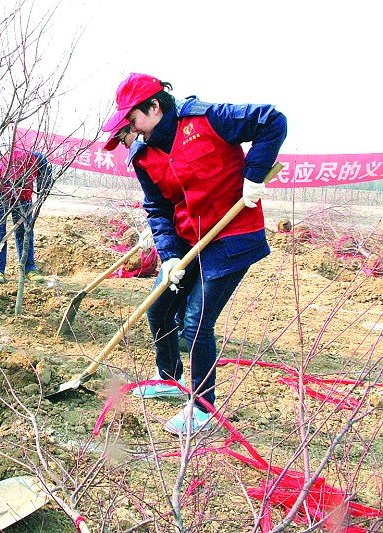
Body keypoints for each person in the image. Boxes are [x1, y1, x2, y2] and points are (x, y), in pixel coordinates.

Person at [101, 72, 287, 435]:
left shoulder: (206, 119)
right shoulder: (143, 156)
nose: (131, 130)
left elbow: (271, 120)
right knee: (159, 308)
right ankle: (170, 378)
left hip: (230, 237)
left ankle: (202, 409)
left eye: (133, 120)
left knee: (196, 322)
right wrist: (169, 255)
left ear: (154, 107)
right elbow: (157, 208)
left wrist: (254, 174)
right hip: (187, 238)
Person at [0, 147, 53, 284]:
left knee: (25, 232)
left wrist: (42, 192)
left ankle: (29, 268)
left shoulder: (38, 161)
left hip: (23, 197)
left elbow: (45, 182)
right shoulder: (4, 165)